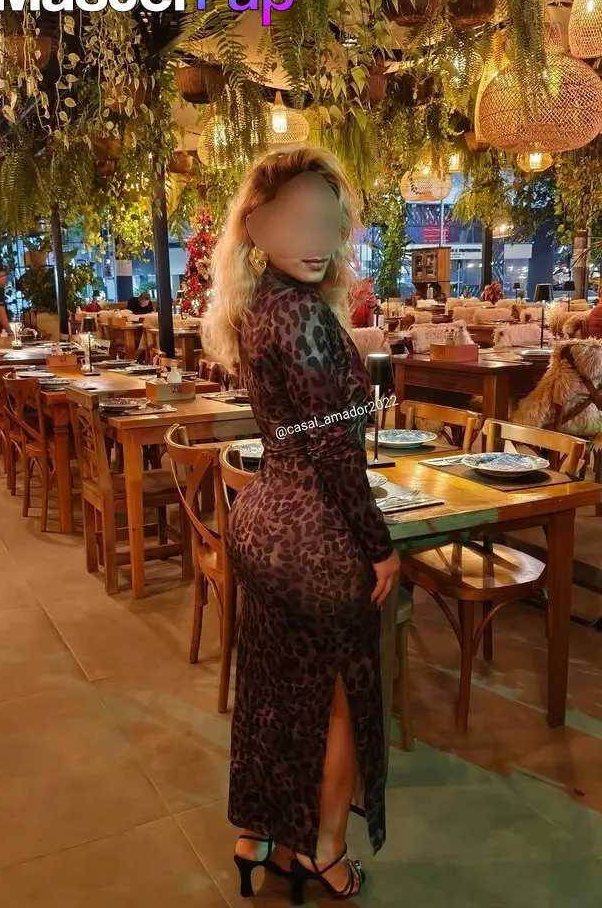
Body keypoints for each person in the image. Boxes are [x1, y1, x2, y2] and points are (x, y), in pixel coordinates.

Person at [203, 147, 400, 901]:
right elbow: (334, 455)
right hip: (314, 542)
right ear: (256, 229)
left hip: (263, 526)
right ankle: (325, 851)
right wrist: (381, 549)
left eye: (326, 218)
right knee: (340, 698)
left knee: (278, 692)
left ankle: (265, 837)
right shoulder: (305, 320)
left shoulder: (263, 308)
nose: (315, 237)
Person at [0, 267, 12, 336]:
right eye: (2, 276)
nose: (5, 278)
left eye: (5, 276)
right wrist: (9, 330)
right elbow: (0, 311)